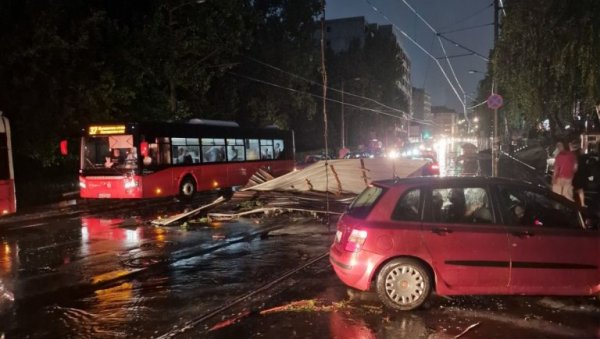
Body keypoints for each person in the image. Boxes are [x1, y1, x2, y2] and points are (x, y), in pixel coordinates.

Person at [571, 142, 588, 207]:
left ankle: (571, 202)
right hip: (579, 174)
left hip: (573, 174)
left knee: (572, 188)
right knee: (580, 189)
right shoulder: (582, 156)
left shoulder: (571, 155)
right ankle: (582, 203)